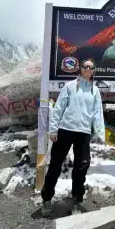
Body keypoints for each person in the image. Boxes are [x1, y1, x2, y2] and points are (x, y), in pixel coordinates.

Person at [41, 58, 105, 217]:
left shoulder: (95, 90)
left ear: (93, 71)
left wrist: (99, 133)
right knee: (55, 165)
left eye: (91, 67)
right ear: (80, 69)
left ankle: (76, 201)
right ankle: (47, 199)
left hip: (83, 133)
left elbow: (98, 114)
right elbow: (59, 108)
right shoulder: (70, 86)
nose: (88, 69)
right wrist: (53, 129)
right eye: (85, 67)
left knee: (80, 169)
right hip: (65, 130)